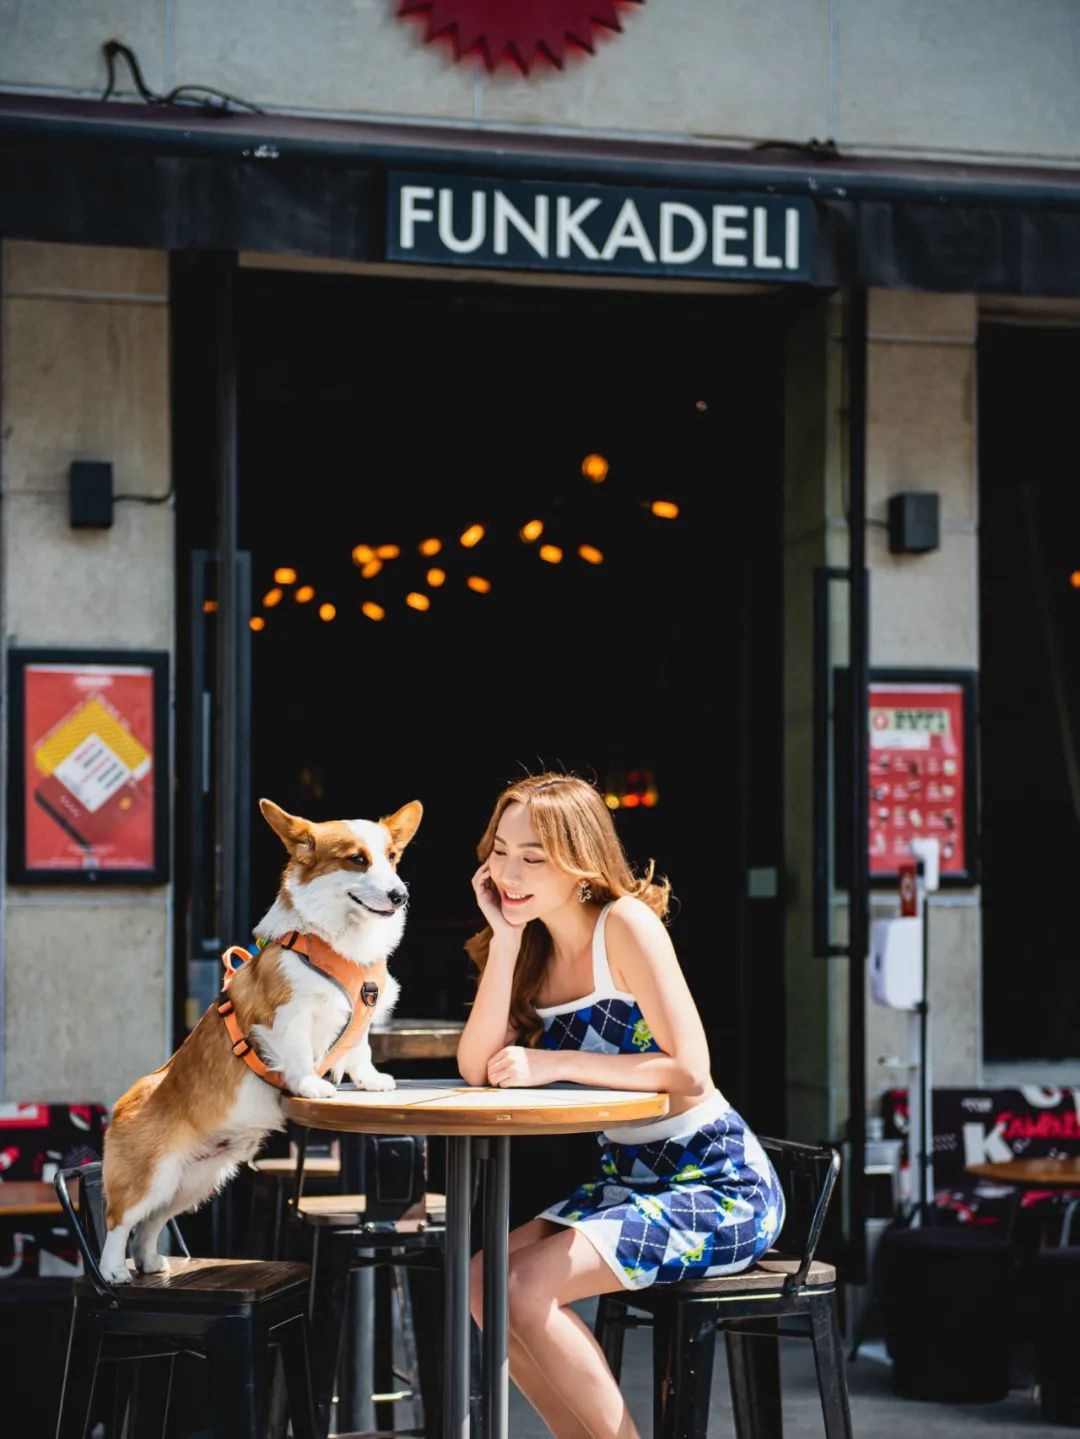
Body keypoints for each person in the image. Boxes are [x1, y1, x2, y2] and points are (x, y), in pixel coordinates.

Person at [458, 773, 784, 1439]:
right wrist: (507, 937)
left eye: (534, 855)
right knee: (484, 1280)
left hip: (719, 1183)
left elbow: (691, 1071)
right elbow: (475, 1066)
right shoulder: (529, 946)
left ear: (580, 863)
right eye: (500, 849)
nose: (509, 871)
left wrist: (557, 1063)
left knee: (522, 1289)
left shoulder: (625, 926)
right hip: (627, 1181)